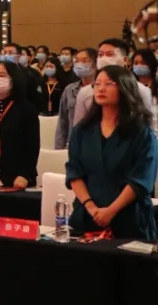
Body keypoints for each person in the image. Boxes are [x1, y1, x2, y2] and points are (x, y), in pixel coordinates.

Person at [66, 65, 158, 240]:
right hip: (88, 216)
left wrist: (111, 211)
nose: (101, 88)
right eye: (97, 83)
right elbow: (74, 172)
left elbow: (140, 180)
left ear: (125, 88)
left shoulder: (141, 133)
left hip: (129, 219)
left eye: (109, 84)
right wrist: (91, 207)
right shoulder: (82, 130)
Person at [74, 39, 156, 136]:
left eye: (109, 54)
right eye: (100, 55)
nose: (104, 58)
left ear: (125, 60)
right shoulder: (85, 92)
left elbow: (151, 127)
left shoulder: (142, 90)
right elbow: (78, 127)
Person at [55, 48, 98, 150]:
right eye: (77, 61)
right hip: (74, 142)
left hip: (95, 143)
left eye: (85, 61)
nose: (79, 64)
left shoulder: (101, 89)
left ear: (96, 63)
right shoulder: (69, 89)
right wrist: (59, 148)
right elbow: (63, 121)